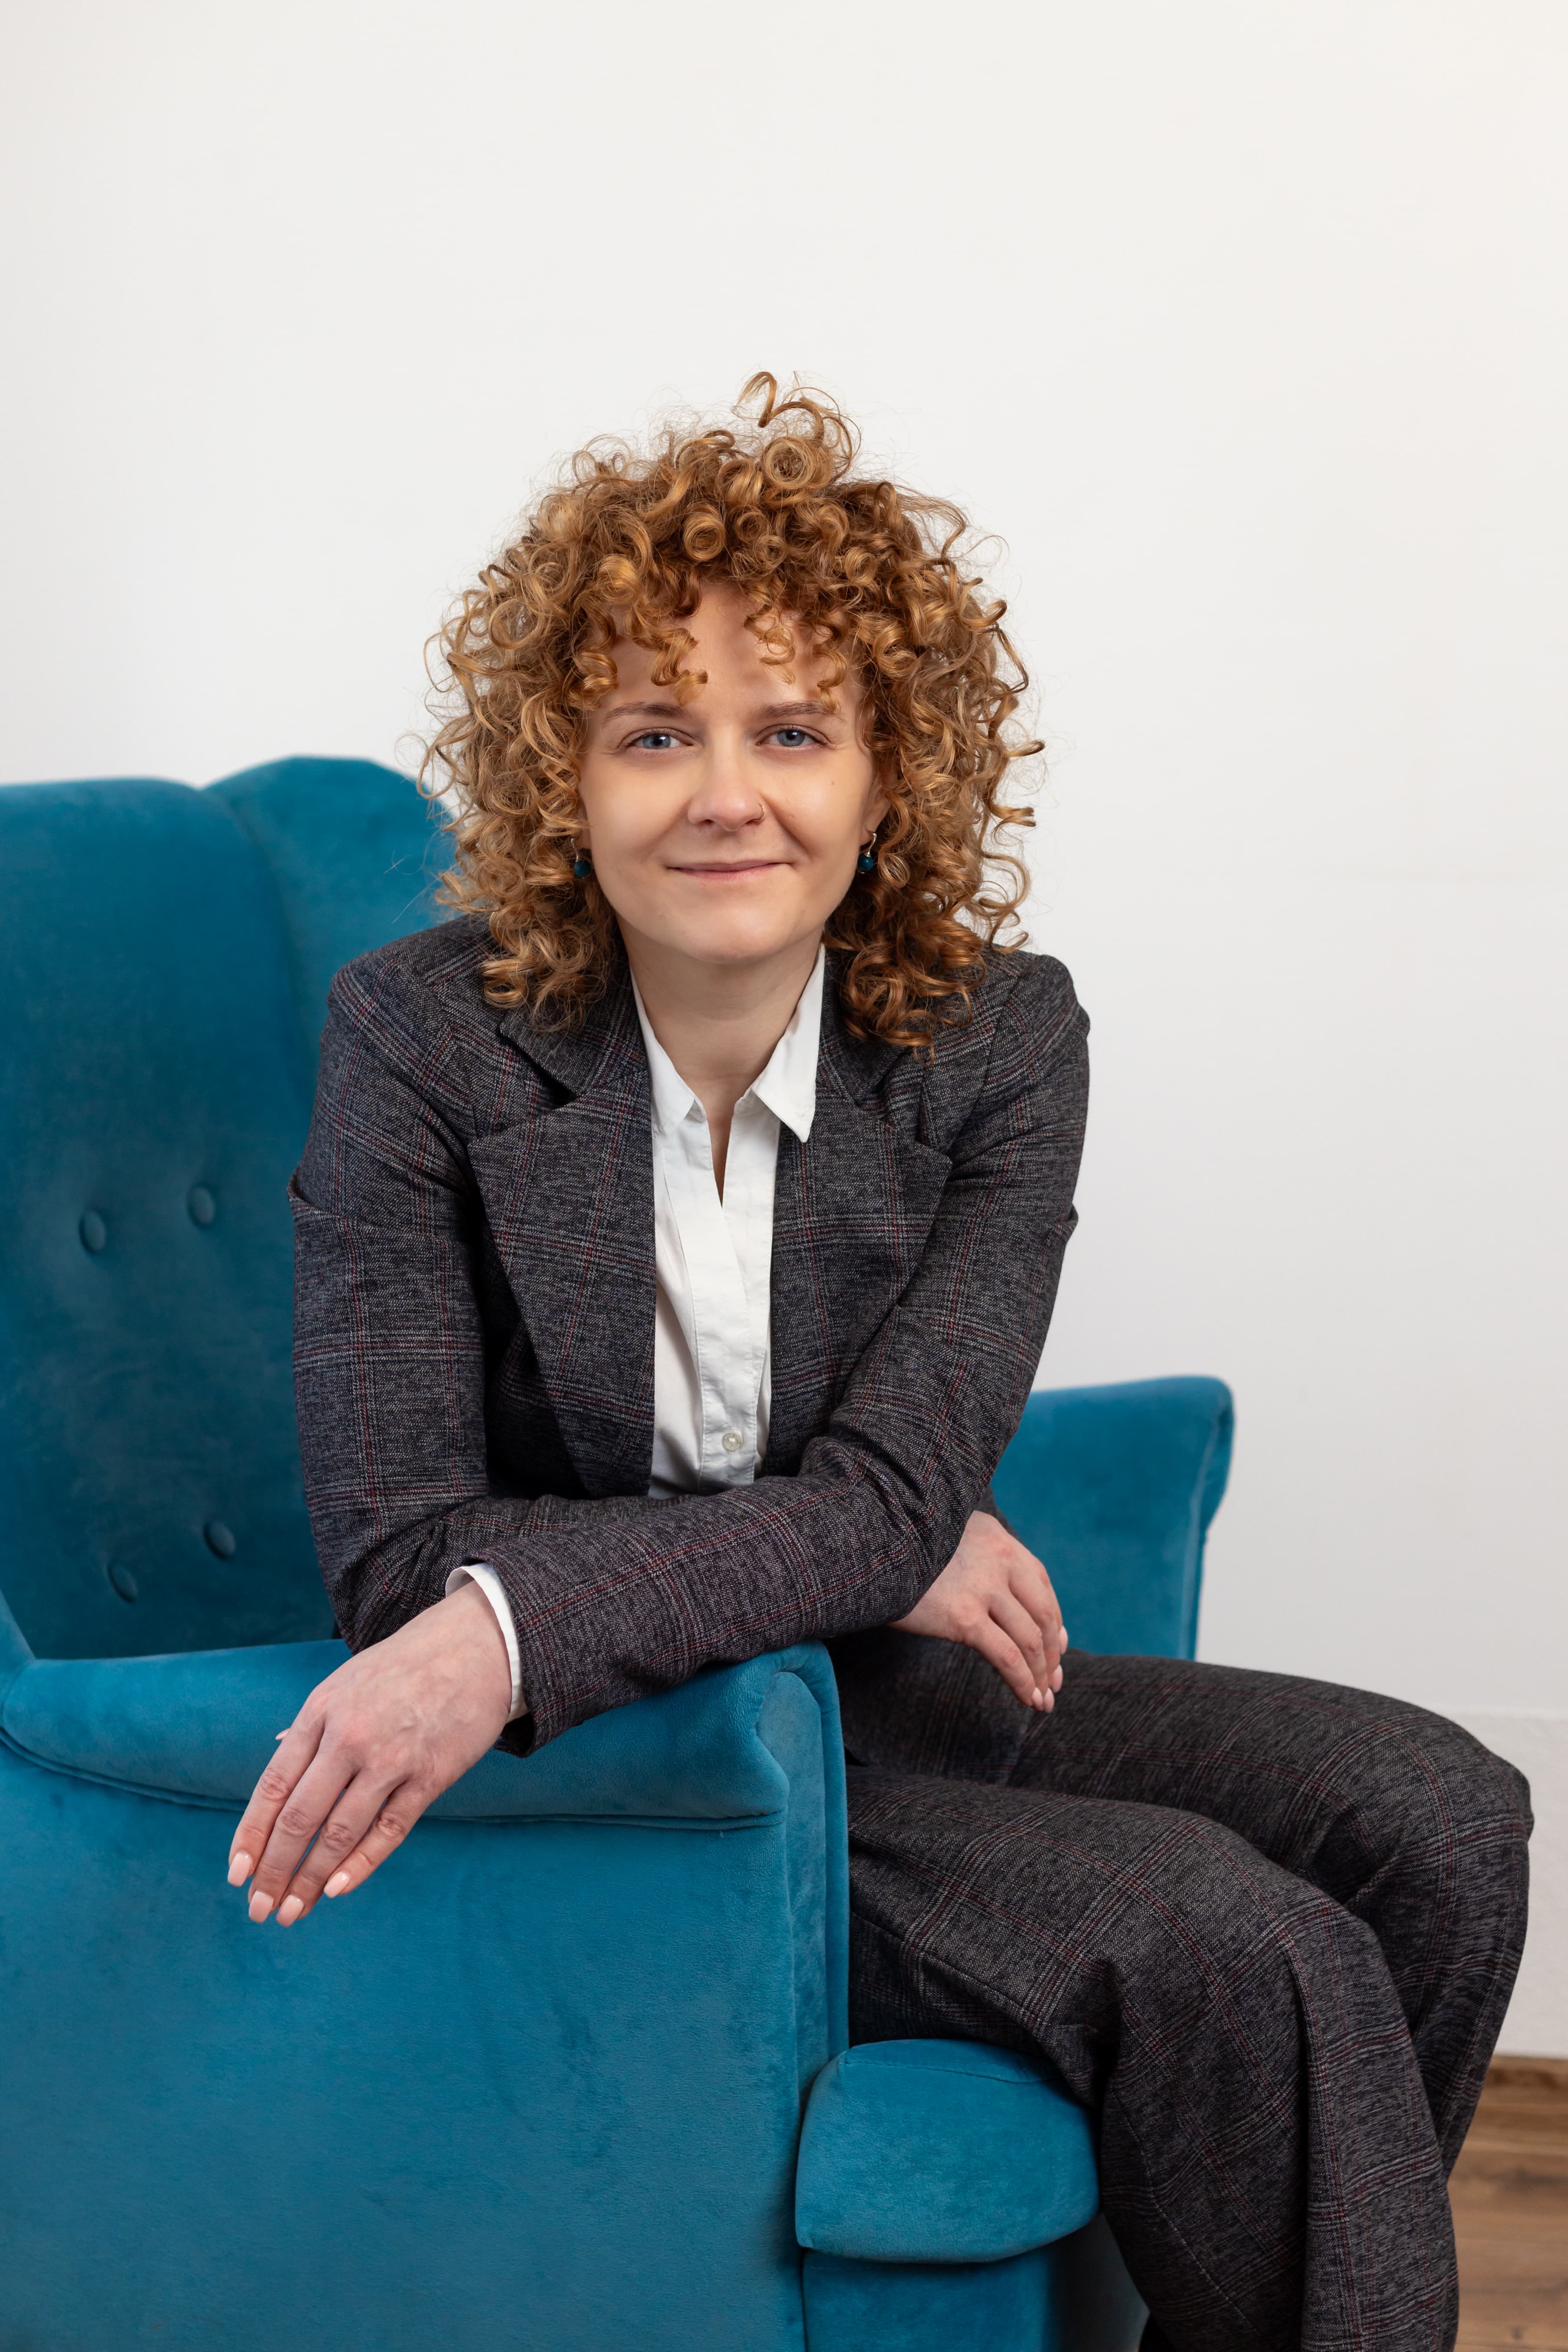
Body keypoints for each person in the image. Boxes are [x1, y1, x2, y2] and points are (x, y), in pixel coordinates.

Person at [226, 377, 1529, 2352]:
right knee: (1233, 1946)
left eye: (792, 730)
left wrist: (842, 1544)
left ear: (886, 774)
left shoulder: (1007, 1043)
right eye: (655, 731)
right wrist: (849, 1537)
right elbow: (404, 1559)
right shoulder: (419, 1040)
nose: (724, 792)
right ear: (560, 778)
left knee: (1439, 1814)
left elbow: (893, 1495)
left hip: (892, 1709)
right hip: (627, 1751)